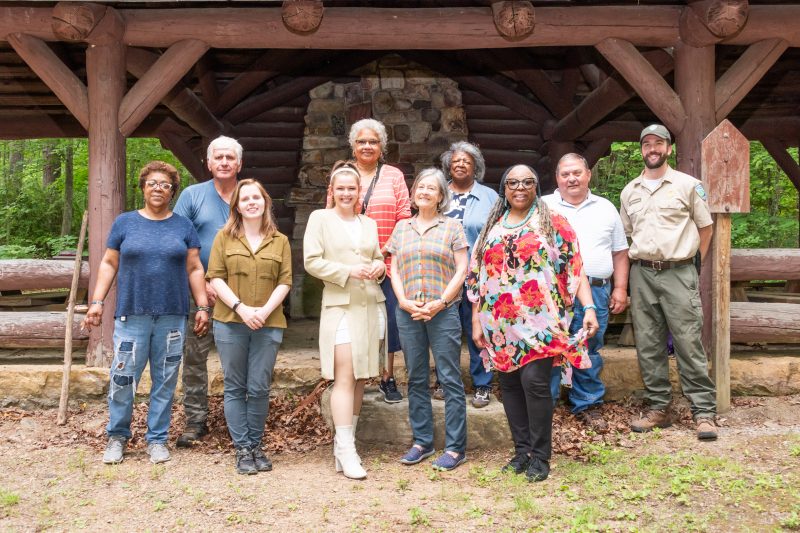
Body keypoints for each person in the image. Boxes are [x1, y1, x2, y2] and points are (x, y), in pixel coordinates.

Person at [467, 164, 599, 482]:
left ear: (536, 186)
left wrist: (589, 307)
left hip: (541, 320)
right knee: (510, 385)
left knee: (535, 383)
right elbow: (477, 277)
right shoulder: (493, 225)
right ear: (504, 188)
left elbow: (575, 267)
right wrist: (476, 320)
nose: (520, 187)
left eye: (528, 181)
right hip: (499, 322)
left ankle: (541, 456)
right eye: (513, 182)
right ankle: (521, 452)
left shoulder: (551, 220)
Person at [82, 161, 209, 465]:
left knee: (165, 380)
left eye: (164, 185)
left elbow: (194, 267)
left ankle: (157, 439)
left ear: (172, 191)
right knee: (123, 377)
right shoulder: (125, 223)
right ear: (142, 187)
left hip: (172, 315)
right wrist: (97, 301)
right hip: (131, 314)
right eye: (152, 183)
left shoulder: (183, 226)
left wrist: (202, 305)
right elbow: (109, 263)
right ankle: (117, 436)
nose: (158, 188)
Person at [620, 124, 717, 441]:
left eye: (658, 143)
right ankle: (659, 408)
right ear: (641, 150)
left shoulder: (689, 186)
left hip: (679, 271)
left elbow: (705, 229)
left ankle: (703, 412)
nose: (652, 148)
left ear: (669, 148)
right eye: (646, 144)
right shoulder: (630, 190)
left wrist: (690, 265)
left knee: (689, 341)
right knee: (648, 344)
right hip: (642, 273)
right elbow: (628, 234)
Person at [303, 161, 387, 480]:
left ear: (359, 191)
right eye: (341, 188)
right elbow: (312, 261)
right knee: (345, 376)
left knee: (363, 375)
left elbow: (377, 257)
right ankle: (346, 449)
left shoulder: (368, 223)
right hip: (340, 304)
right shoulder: (320, 219)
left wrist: (378, 268)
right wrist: (347, 271)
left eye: (352, 188)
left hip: (369, 303)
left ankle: (343, 443)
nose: (347, 193)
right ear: (332, 191)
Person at [206, 179, 291, 474]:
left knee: (258, 387)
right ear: (237, 206)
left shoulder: (279, 240)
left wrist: (264, 311)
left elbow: (285, 281)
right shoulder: (223, 238)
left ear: (265, 202)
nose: (252, 202)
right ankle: (242, 449)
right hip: (231, 322)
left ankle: (256, 446)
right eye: (245, 199)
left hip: (269, 324)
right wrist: (242, 309)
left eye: (257, 197)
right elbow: (215, 277)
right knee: (234, 386)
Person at [387, 168, 469, 471]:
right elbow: (393, 269)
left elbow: (462, 269)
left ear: (440, 196)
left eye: (431, 188)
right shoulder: (401, 228)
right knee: (416, 377)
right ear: (413, 193)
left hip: (443, 311)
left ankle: (455, 448)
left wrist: (441, 302)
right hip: (408, 312)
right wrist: (404, 302)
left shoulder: (453, 227)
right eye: (420, 186)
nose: (424, 191)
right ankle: (422, 441)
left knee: (449, 378)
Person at [543, 153, 630, 431]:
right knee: (550, 346)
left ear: (588, 174)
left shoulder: (605, 207)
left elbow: (619, 251)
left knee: (589, 347)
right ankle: (547, 404)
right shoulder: (543, 206)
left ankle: (588, 403)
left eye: (577, 172)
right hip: (552, 294)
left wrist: (620, 287)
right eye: (565, 174)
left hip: (597, 290)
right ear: (557, 178)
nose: (572, 178)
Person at [173, 136, 240, 447]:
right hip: (200, 294)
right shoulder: (192, 196)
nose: (224, 162)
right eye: (219, 157)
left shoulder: (250, 194)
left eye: (230, 157)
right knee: (195, 358)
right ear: (209, 163)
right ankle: (196, 420)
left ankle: (238, 420)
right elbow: (179, 244)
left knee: (238, 359)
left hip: (242, 297)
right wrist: (205, 286)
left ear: (239, 163)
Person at [348, 118, 411, 404]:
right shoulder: (344, 174)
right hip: (352, 266)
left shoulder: (394, 176)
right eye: (361, 141)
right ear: (353, 145)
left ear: (382, 146)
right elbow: (332, 217)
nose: (367, 146)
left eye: (373, 141)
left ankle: (387, 376)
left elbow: (404, 218)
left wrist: (383, 253)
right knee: (354, 323)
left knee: (389, 324)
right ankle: (353, 376)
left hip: (387, 264)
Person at [434, 141, 499, 409]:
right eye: (456, 160)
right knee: (444, 332)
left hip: (477, 273)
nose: (460, 164)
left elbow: (497, 234)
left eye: (467, 161)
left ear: (476, 167)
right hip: (443, 275)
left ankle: (482, 385)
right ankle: (445, 381)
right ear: (449, 164)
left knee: (478, 330)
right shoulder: (438, 193)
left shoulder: (489, 197)